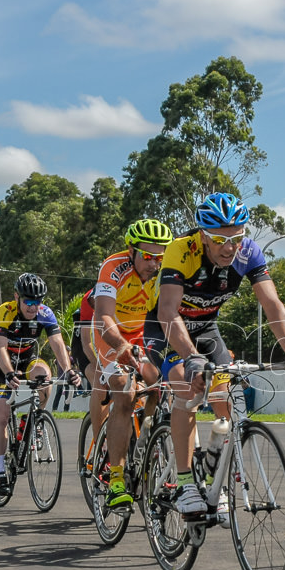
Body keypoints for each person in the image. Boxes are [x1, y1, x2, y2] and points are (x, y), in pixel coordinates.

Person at [143, 192, 285, 515]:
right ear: (203, 235)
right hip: (166, 327)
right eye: (220, 239)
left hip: (206, 328)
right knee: (185, 384)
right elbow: (167, 311)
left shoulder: (248, 252)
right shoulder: (181, 250)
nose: (229, 247)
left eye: (236, 237)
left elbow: (272, 304)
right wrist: (190, 357)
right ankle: (185, 482)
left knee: (228, 393)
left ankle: (214, 464)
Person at [90, 218, 173, 509]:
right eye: (148, 256)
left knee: (163, 385)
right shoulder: (114, 267)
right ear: (131, 250)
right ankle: (115, 478)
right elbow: (104, 317)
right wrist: (121, 346)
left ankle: (147, 444)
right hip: (110, 333)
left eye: (160, 257)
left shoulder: (165, 272)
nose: (154, 263)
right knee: (125, 393)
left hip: (142, 333)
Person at [0, 272, 74, 496]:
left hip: (27, 360)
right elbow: (0, 347)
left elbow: (57, 342)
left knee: (45, 375)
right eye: (29, 302)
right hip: (0, 364)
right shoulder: (5, 311)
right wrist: (7, 373)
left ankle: (35, 420)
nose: (34, 307)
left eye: (38, 302)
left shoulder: (44, 313)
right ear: (17, 297)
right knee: (2, 415)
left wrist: (69, 370)